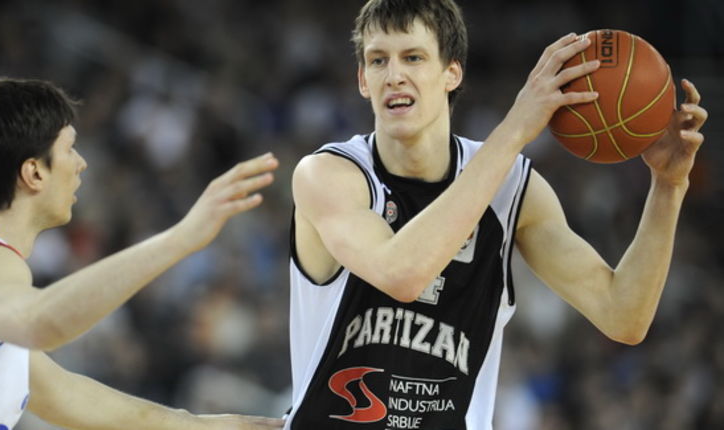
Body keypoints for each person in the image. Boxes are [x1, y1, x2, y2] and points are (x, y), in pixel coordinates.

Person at [286, 0, 707, 429]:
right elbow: (402, 275)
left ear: (452, 72)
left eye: (413, 57)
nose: (393, 75)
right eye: (378, 60)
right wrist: (516, 127)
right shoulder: (328, 175)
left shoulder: (514, 189)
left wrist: (668, 187)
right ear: (363, 79)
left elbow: (623, 316)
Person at [0, 78, 284, 430]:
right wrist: (182, 237)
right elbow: (40, 323)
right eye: (69, 149)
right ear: (34, 172)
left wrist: (222, 426)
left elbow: (71, 397)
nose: (81, 163)